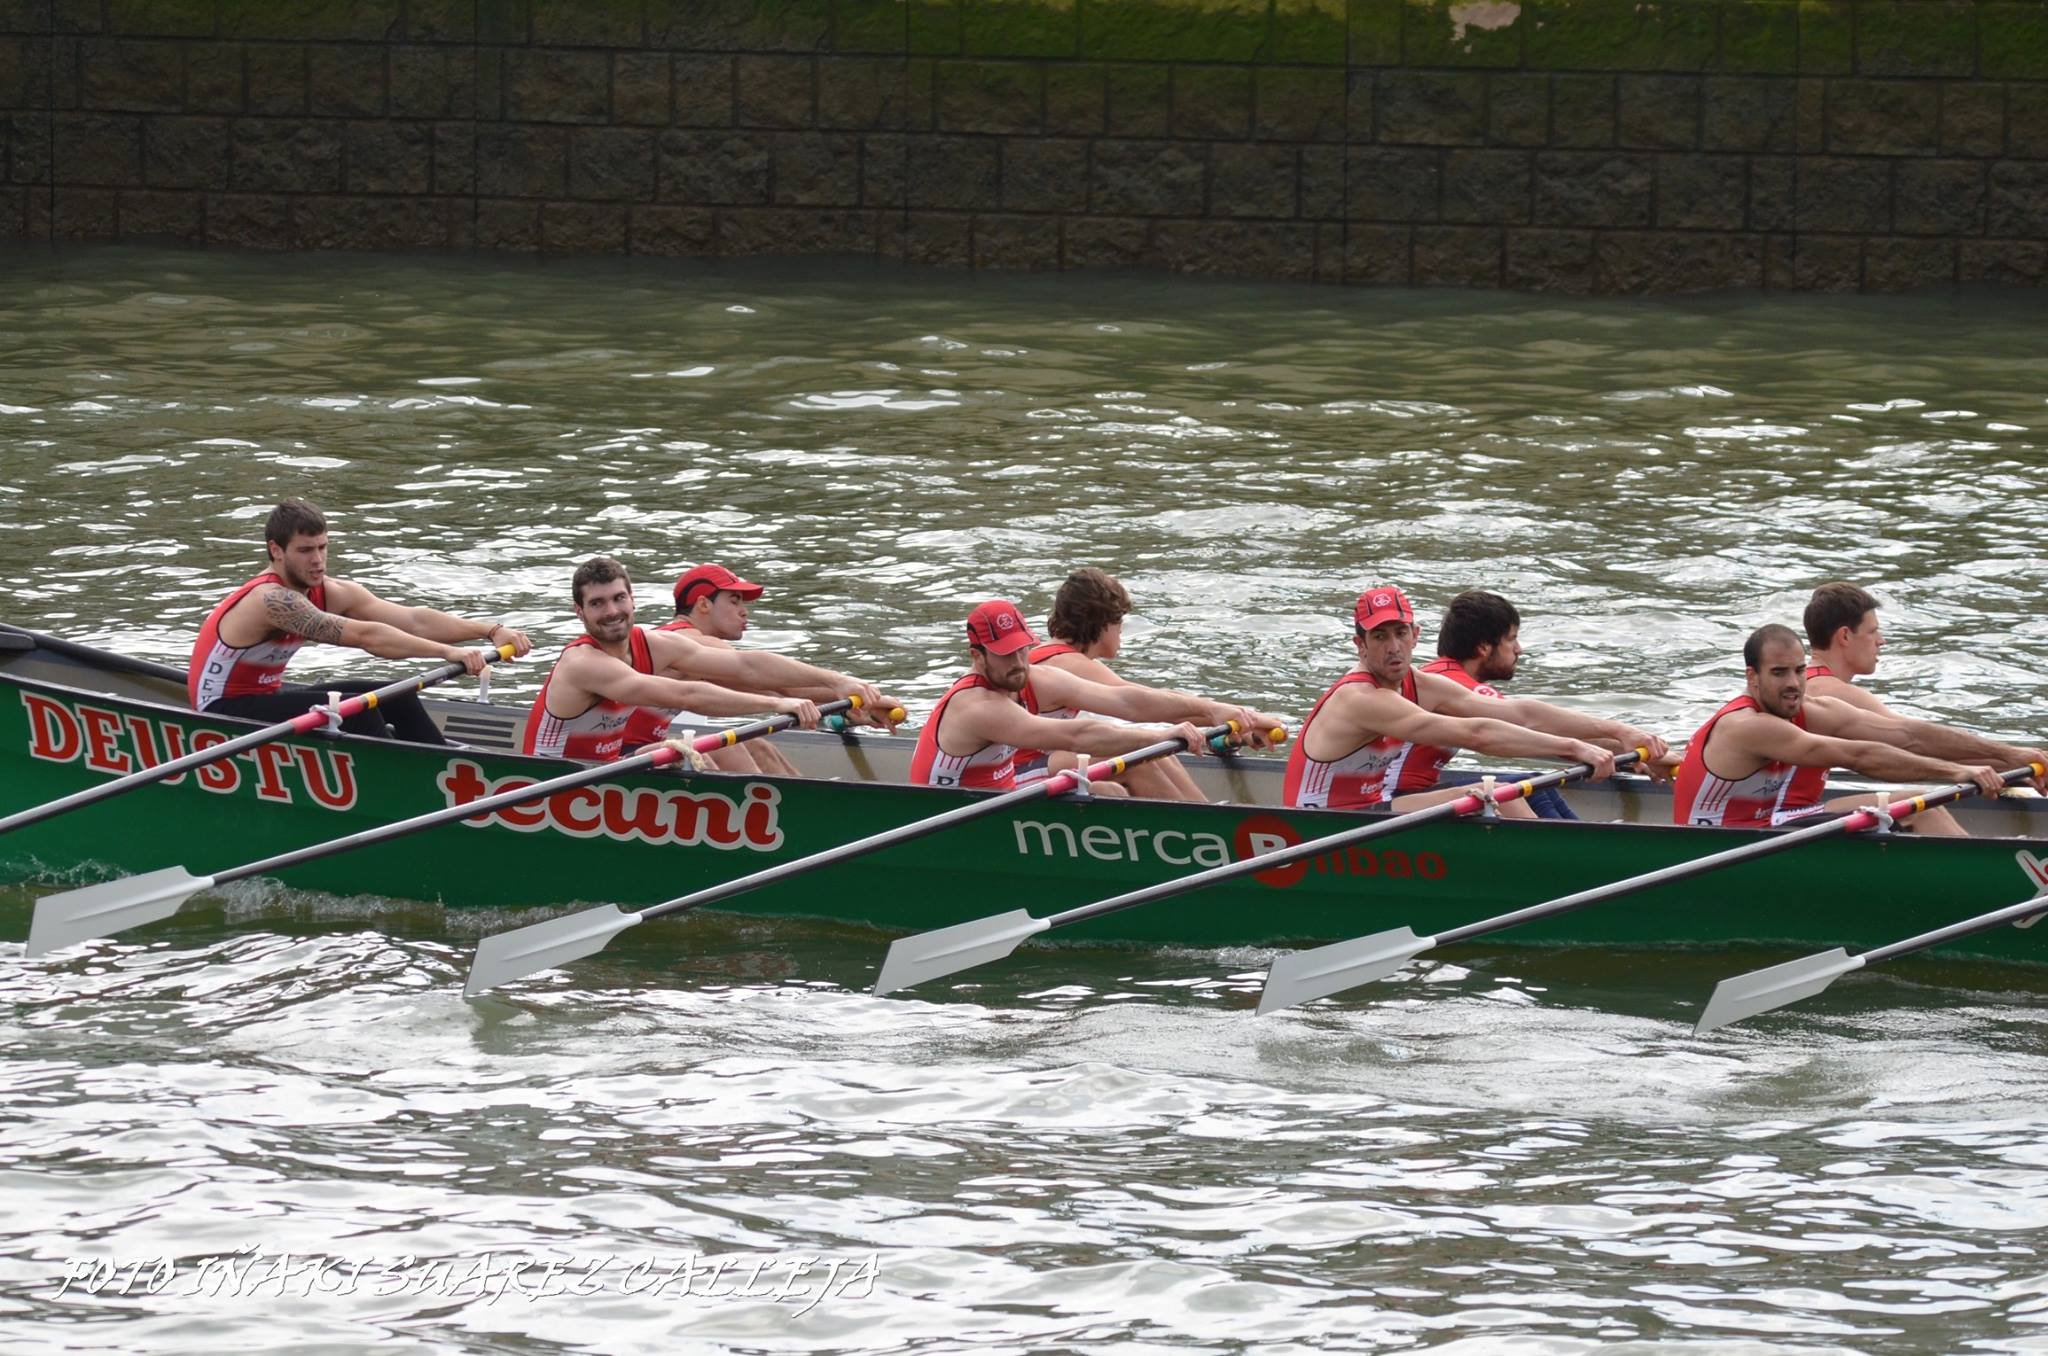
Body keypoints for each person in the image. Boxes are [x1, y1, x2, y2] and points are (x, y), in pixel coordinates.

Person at [1285, 586, 1671, 816]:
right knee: (1497, 796)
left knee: (1512, 792)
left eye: (1400, 633)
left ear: (1416, 635)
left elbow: (1520, 713)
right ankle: (1577, 884)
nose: (1393, 647)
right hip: (1327, 823)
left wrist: (1618, 731)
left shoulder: (1421, 682)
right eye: (1380, 637)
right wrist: (1576, 748)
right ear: (1360, 644)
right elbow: (1478, 734)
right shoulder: (1361, 698)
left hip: (1377, 806)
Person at [188, 498, 532, 744]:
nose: (318, 560)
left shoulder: (329, 590)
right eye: (306, 551)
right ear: (276, 551)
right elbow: (368, 637)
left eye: (323, 547)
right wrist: (448, 653)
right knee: (359, 711)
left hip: (266, 694)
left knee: (397, 695)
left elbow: (412, 621)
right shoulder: (273, 601)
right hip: (222, 709)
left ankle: (442, 765)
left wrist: (489, 629)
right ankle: (401, 784)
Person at [1672, 623, 2040, 835]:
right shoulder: (1747, 726)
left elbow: (1907, 734)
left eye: (1799, 671)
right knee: (1920, 808)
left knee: (1914, 802)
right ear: (1752, 676)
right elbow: (1860, 756)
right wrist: (1956, 772)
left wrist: (2010, 755)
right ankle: (1992, 889)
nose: (1793, 684)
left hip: (1776, 822)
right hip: (1719, 840)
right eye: (1778, 672)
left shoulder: (1811, 709)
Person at [1022, 568, 1286, 800]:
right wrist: (1221, 712)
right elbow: (1139, 704)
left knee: (1154, 751)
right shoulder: (1065, 663)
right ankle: (1210, 832)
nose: (1122, 629)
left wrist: (1245, 720)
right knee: (1139, 758)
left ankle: (1204, 815)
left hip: (1041, 762)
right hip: (1020, 770)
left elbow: (1158, 701)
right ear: (1101, 623)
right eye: (1119, 620)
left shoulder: (1063, 659)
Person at [522, 557, 821, 761]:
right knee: (702, 753)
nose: (612, 611)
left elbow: (748, 668)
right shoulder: (582, 662)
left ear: (632, 598)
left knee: (712, 750)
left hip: (607, 768)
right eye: (597, 603)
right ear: (580, 612)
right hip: (551, 781)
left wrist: (847, 684)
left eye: (618, 599)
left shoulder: (652, 643)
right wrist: (778, 705)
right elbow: (688, 694)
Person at [616, 562, 905, 774]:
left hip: (641, 750)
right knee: (728, 745)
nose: (744, 611)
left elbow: (772, 688)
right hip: (619, 757)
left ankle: (802, 817)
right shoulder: (686, 640)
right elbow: (766, 676)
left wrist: (850, 706)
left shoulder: (698, 660)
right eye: (734, 601)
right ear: (703, 605)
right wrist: (859, 693)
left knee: (756, 744)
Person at [910, 599, 1215, 793]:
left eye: (1022, 649)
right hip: (954, 815)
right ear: (977, 656)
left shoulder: (1032, 676)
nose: (1018, 663)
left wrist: (1217, 712)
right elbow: (1078, 736)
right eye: (1005, 655)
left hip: (1003, 796)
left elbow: (1125, 701)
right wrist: (1159, 737)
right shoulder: (977, 707)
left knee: (1115, 790)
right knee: (1121, 781)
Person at [1421, 590, 1577, 819]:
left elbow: (1540, 733)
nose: (1519, 649)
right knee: (1512, 792)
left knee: (1534, 784)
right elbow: (1531, 726)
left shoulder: (1442, 675)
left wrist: (1608, 752)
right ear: (1483, 648)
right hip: (1402, 797)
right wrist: (1608, 748)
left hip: (1423, 789)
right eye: (1512, 638)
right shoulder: (1451, 683)